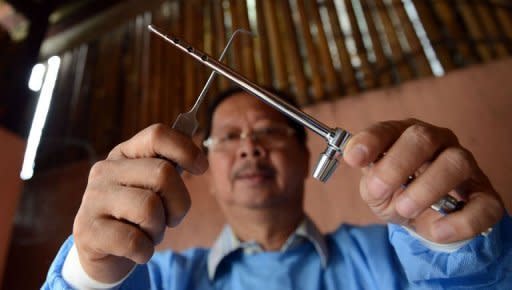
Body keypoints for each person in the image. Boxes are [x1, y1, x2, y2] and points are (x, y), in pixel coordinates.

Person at [43, 87, 511, 289]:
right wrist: (91, 277)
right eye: (229, 137)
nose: (249, 149)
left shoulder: (398, 257)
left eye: (268, 131)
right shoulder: (156, 280)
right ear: (202, 158)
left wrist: (458, 247)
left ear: (308, 154)